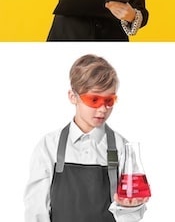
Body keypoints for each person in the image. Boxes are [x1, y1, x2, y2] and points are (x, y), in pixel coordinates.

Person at [25, 54, 149, 221]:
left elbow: (131, 215)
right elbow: (36, 211)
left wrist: (131, 208)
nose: (103, 109)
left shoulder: (121, 148)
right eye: (94, 100)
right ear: (73, 97)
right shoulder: (49, 146)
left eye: (109, 100)